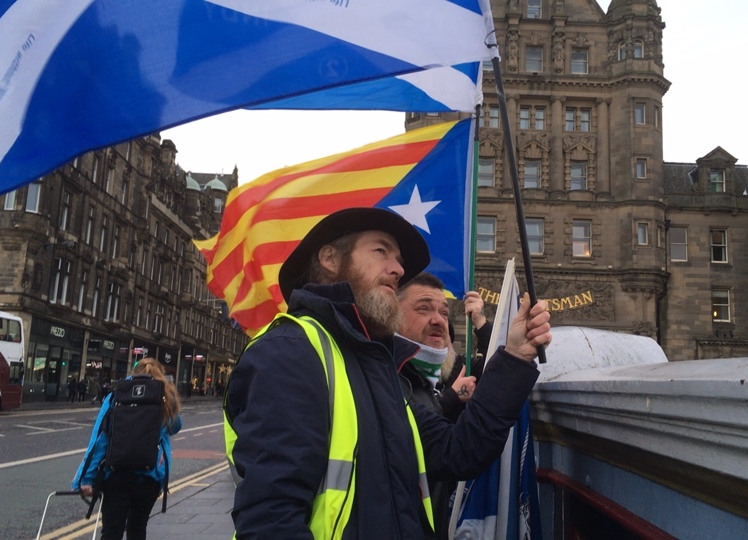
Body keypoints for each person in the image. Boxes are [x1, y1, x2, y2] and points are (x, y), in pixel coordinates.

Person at [224, 207, 552, 539]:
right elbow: (270, 520)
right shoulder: (290, 351)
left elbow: (458, 451)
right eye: (381, 251)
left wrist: (514, 357)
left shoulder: (377, 367)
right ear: (330, 258)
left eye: (398, 261)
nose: (397, 269)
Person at [396, 274, 496, 539]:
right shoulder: (393, 376)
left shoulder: (455, 370)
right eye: (425, 310)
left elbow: (494, 367)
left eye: (444, 314)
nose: (439, 327)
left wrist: (481, 324)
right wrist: (452, 398)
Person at [72, 358, 182, 540]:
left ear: (134, 373)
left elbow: (100, 439)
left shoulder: (116, 396)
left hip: (116, 474)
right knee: (137, 529)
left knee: (111, 532)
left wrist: (85, 479)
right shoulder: (165, 399)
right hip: (149, 477)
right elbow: (176, 426)